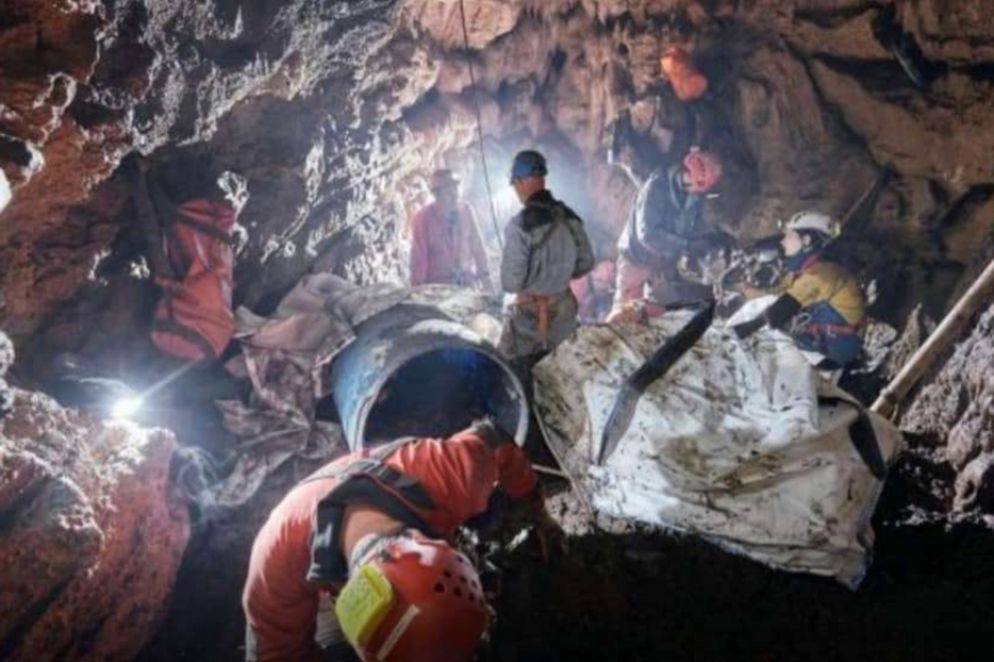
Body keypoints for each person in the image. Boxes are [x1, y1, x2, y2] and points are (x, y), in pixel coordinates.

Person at [242, 420, 564, 661]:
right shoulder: (276, 564)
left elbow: (496, 441)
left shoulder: (448, 474)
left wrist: (538, 516)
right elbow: (277, 655)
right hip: (315, 599)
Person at [606, 115, 723, 322]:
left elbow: (691, 225)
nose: (701, 194)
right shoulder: (656, 187)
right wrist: (687, 245)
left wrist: (704, 242)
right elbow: (648, 236)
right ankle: (605, 340)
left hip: (662, 261)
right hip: (636, 257)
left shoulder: (692, 195)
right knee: (624, 314)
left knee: (659, 315)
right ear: (695, 180)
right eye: (702, 188)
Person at [732, 210, 866, 368]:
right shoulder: (803, 272)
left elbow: (778, 313)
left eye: (789, 236)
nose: (783, 242)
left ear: (806, 240)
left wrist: (733, 334)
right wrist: (744, 290)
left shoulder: (823, 275)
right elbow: (776, 293)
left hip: (836, 353)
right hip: (819, 342)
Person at [498, 150, 595, 367]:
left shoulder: (519, 225)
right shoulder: (569, 216)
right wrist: (558, 275)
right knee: (564, 374)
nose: (515, 190)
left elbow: (510, 283)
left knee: (513, 373)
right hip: (563, 316)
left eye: (515, 184)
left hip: (528, 323)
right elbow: (586, 262)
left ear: (520, 181)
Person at [409, 169, 491, 288]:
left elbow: (477, 245)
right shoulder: (423, 219)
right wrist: (418, 290)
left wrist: (485, 277)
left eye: (456, 191)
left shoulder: (466, 211)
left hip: (466, 283)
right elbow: (419, 260)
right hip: (439, 288)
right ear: (436, 195)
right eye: (449, 193)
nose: (455, 197)